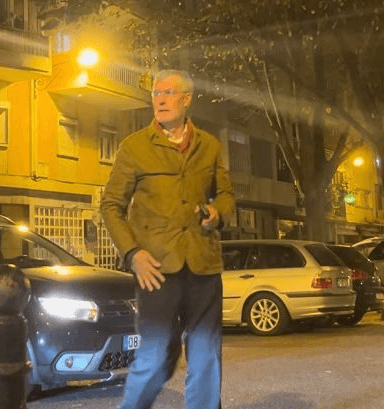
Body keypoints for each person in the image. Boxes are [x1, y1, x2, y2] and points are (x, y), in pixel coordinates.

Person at [100, 69, 235, 409]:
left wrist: (217, 213)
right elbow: (111, 205)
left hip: (203, 264)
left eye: (168, 93)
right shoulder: (134, 147)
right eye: (155, 93)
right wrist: (132, 254)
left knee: (206, 354)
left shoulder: (210, 146)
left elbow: (226, 196)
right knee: (157, 354)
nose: (159, 100)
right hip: (155, 268)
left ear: (186, 99)